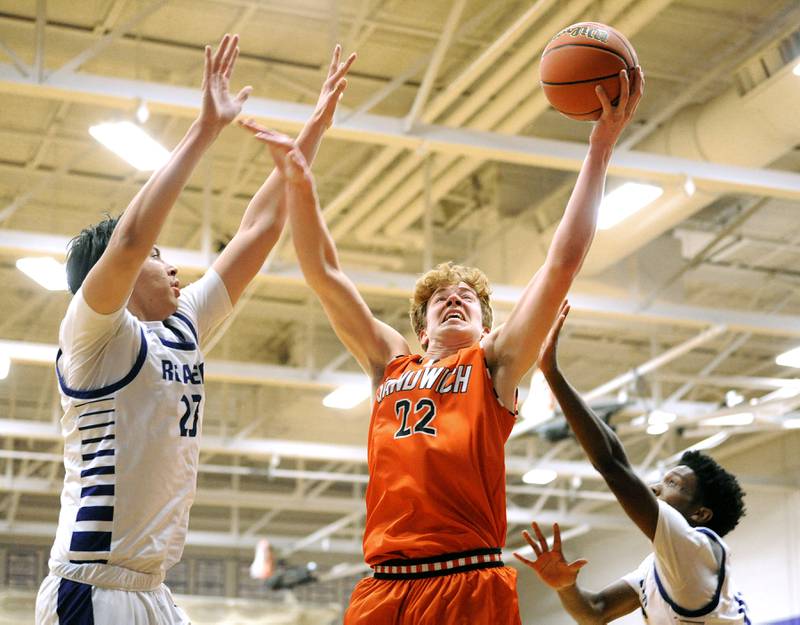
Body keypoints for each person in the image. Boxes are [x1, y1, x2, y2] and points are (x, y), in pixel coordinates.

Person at [245, 65, 643, 624]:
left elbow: (562, 261)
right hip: (384, 587)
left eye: (469, 298)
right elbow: (324, 272)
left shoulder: (495, 363)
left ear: (486, 326)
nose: (455, 298)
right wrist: (300, 183)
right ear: (421, 329)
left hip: (466, 577)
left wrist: (600, 146)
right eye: (441, 299)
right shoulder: (389, 363)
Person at [34, 36, 355, 624]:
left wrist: (311, 133)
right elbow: (129, 241)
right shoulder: (90, 337)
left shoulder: (181, 326)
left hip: (154, 590)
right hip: (91, 588)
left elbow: (258, 229)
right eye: (161, 257)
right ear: (121, 276)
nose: (174, 266)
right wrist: (204, 130)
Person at [515, 302, 749, 624]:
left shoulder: (695, 549)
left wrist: (552, 374)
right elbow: (594, 612)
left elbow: (611, 463)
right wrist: (566, 586)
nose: (654, 487)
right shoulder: (663, 565)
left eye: (672, 484)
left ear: (700, 513)